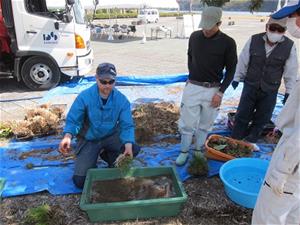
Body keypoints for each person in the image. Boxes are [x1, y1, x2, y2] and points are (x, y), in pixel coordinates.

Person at [252, 1, 300, 224]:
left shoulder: (289, 47)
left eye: (295, 17)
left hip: (293, 167)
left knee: (268, 216)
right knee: (291, 216)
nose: (293, 23)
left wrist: (282, 170)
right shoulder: (254, 41)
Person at [59, 63, 140, 189]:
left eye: (111, 82)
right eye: (103, 82)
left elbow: (127, 125)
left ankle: (108, 156)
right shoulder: (84, 97)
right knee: (81, 181)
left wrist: (128, 143)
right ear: (96, 78)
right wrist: (68, 136)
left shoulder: (121, 100)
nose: (107, 86)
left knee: (133, 148)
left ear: (115, 80)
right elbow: (74, 120)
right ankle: (93, 155)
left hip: (110, 136)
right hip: (89, 139)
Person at [176, 6, 237, 166]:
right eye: (203, 26)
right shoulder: (195, 37)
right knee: (187, 123)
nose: (206, 30)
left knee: (205, 124)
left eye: (210, 27)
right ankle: (183, 151)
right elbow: (190, 57)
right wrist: (193, 76)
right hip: (193, 86)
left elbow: (231, 70)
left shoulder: (228, 43)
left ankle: (198, 151)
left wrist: (221, 93)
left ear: (219, 23)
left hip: (213, 89)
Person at [231, 17, 298, 143]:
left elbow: (291, 71)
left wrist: (289, 90)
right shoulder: (253, 39)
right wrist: (237, 77)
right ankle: (236, 139)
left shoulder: (290, 46)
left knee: (263, 117)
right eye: (273, 28)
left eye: (280, 30)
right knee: (242, 114)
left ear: (285, 31)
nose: (276, 32)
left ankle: (250, 140)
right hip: (250, 85)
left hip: (270, 89)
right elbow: (243, 60)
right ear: (266, 27)